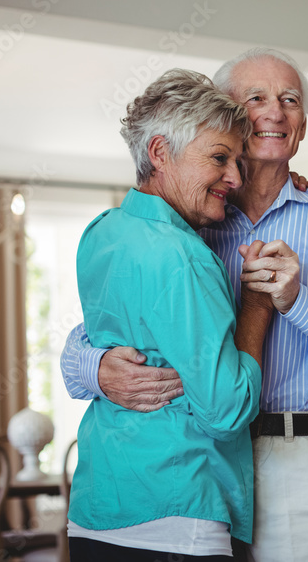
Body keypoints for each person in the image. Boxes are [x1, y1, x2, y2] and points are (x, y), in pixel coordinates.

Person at [62, 48, 308, 561]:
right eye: (256, 98)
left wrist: (300, 303)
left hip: (299, 463)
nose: (275, 112)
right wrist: (93, 367)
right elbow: (118, 321)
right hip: (203, 469)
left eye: (290, 100)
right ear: (223, 115)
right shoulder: (190, 219)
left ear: (303, 125)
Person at [67, 69, 270, 561]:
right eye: (219, 158)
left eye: (239, 162)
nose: (235, 178)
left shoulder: (99, 233)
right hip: (176, 514)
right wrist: (257, 306)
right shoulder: (183, 256)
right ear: (159, 152)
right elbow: (226, 409)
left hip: (95, 508)